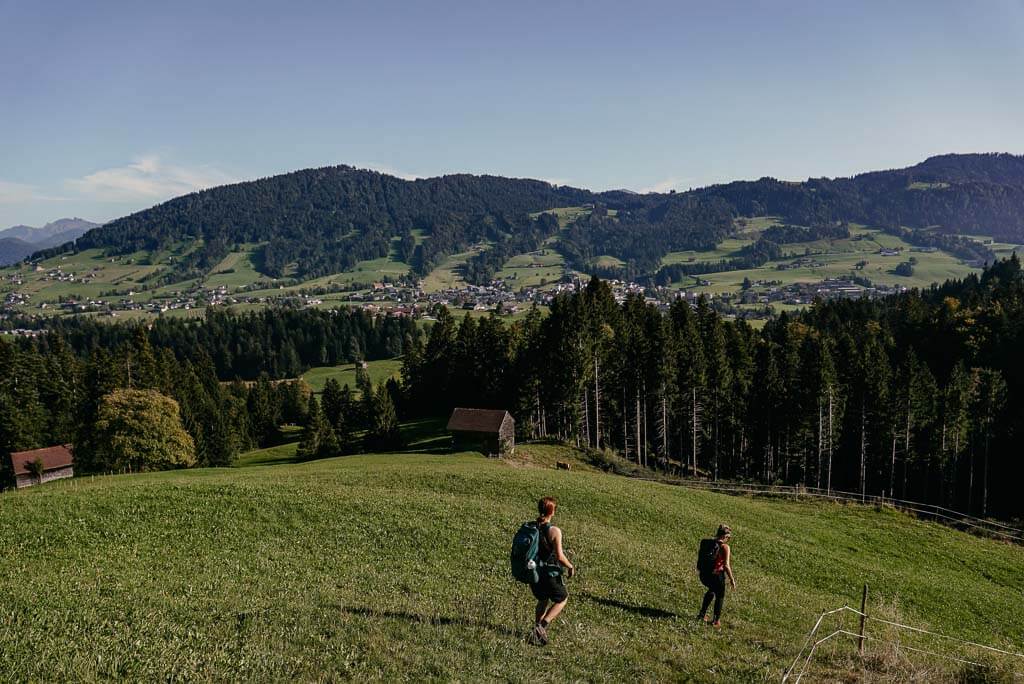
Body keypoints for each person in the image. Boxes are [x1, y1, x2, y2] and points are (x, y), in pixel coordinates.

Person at [530, 496, 575, 645]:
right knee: (562, 598)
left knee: (543, 599)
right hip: (549, 573)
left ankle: (536, 632)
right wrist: (570, 566)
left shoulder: (531, 527)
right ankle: (541, 627)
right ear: (552, 511)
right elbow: (560, 557)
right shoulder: (554, 531)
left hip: (534, 572)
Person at [697, 524, 735, 628]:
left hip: (704, 575)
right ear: (725, 536)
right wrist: (732, 579)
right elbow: (726, 565)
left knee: (712, 590)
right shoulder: (725, 547)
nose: (729, 539)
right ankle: (716, 621)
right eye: (729, 537)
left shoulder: (706, 542)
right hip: (716, 576)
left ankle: (702, 614)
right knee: (720, 595)